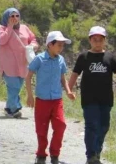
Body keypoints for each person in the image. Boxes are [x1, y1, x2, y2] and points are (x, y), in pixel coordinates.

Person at [68, 26, 116, 164]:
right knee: (91, 125)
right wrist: (69, 89)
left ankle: (97, 151)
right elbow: (75, 74)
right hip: (89, 99)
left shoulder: (109, 57)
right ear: (90, 40)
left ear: (104, 40)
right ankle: (91, 155)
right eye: (95, 39)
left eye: (100, 40)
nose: (97, 42)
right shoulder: (84, 57)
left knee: (104, 126)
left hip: (106, 99)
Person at [26, 31, 75, 164]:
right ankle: (41, 154)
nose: (61, 47)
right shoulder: (39, 59)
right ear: (49, 45)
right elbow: (28, 76)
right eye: (59, 45)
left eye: (62, 45)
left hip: (57, 100)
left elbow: (62, 79)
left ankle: (55, 155)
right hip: (42, 101)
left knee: (60, 126)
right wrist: (30, 95)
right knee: (41, 129)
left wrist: (69, 91)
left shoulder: (61, 60)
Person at [0, 8, 39, 118]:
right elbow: (2, 40)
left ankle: (8, 107)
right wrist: (9, 27)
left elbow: (33, 39)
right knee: (13, 87)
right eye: (12, 16)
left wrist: (33, 46)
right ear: (7, 17)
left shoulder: (24, 28)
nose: (15, 18)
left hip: (22, 64)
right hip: (8, 65)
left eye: (17, 16)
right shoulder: (2, 28)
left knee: (17, 87)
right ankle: (14, 109)